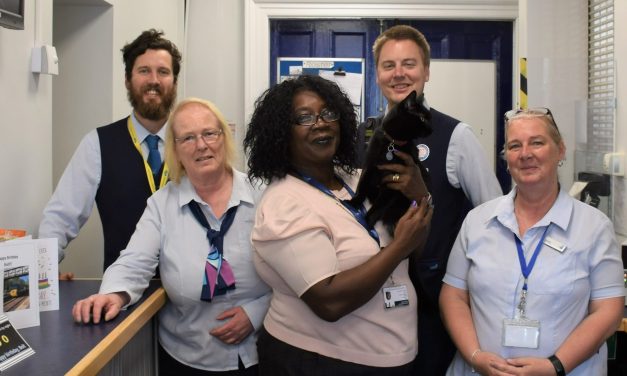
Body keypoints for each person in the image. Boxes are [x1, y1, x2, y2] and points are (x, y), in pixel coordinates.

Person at [244, 74, 433, 375]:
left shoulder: (357, 179)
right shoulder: (283, 203)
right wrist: (398, 248)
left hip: (392, 357)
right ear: (282, 132)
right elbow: (329, 302)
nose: (320, 123)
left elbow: (415, 248)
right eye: (303, 118)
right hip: (321, 362)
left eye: (328, 113)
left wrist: (420, 195)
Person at [72, 98, 271, 375]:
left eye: (209, 134)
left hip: (261, 354)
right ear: (175, 150)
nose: (201, 145)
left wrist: (256, 314)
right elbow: (134, 261)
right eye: (187, 138)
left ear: (224, 138)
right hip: (185, 358)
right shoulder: (161, 205)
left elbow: (291, 275)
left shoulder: (264, 194)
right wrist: (112, 295)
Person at [358, 24, 503, 374]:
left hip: (434, 302)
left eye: (409, 64)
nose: (399, 74)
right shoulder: (362, 138)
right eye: (388, 65)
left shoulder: (457, 136)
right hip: (367, 297)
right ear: (376, 74)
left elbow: (494, 219)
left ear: (426, 71)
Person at [440, 108, 624, 375]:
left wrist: (556, 365)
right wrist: (475, 356)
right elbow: (453, 296)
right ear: (506, 159)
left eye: (537, 142)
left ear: (560, 150)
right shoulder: (477, 222)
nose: (526, 154)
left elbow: (608, 311)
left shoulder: (594, 228)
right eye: (515, 146)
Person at [39, 29, 181, 271]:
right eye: (144, 71)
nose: (154, 81)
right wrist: (45, 272)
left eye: (163, 72)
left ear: (175, 82)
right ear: (128, 79)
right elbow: (60, 218)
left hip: (190, 297)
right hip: (122, 296)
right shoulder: (97, 144)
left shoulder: (194, 141)